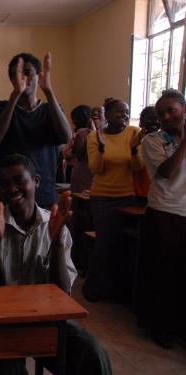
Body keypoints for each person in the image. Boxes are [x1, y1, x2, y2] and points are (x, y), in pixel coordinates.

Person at [0, 153, 112, 375]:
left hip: (47, 318)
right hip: (3, 322)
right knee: (5, 367)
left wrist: (55, 241)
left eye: (20, 180)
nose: (13, 189)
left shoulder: (54, 224)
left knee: (92, 354)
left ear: (36, 181)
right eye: (5, 183)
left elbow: (63, 293)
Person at [0, 52, 72, 208]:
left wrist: (48, 91)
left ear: (38, 77)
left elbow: (66, 137)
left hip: (44, 194)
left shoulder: (50, 109)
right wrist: (15, 96)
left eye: (27, 73)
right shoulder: (2, 108)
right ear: (12, 80)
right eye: (17, 75)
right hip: (9, 193)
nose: (23, 79)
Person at [137, 89, 186, 349]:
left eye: (172, 111)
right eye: (161, 113)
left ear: (183, 109)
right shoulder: (153, 141)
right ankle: (161, 326)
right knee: (163, 273)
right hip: (164, 211)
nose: (166, 117)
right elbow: (166, 172)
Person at [82, 99, 144, 302]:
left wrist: (134, 150)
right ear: (107, 115)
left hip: (127, 197)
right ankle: (93, 288)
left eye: (126, 112)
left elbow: (136, 167)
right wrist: (101, 148)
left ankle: (116, 289)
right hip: (102, 197)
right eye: (120, 112)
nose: (124, 116)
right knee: (104, 244)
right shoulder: (94, 136)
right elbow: (96, 169)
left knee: (121, 245)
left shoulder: (133, 133)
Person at [133, 106, 160, 204]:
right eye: (150, 119)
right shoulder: (135, 139)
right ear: (141, 122)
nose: (154, 122)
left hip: (156, 192)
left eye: (157, 119)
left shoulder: (163, 140)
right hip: (139, 191)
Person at [67, 105, 94, 193]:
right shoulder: (79, 132)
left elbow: (77, 154)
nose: (73, 122)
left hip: (83, 171)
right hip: (75, 167)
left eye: (75, 118)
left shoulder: (82, 133)